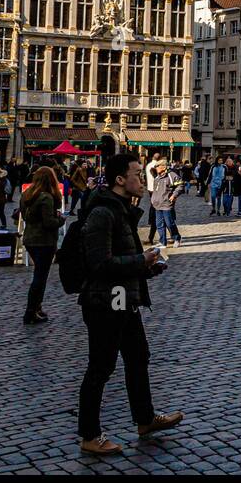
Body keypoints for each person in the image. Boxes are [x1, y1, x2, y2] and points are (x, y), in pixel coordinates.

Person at [77, 153, 182, 456]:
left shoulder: (122, 209)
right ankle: (89, 434)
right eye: (137, 173)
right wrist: (140, 260)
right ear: (120, 180)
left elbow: (121, 260)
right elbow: (99, 264)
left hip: (124, 298)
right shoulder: (103, 213)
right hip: (105, 300)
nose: (142, 179)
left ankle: (145, 419)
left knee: (138, 356)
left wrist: (147, 267)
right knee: (101, 366)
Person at [21, 165, 65, 325]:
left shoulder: (27, 194)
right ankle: (31, 311)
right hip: (44, 241)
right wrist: (61, 220)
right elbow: (49, 222)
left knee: (39, 275)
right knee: (40, 277)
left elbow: (25, 217)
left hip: (30, 239)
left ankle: (36, 308)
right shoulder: (46, 197)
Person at [150, 160, 184, 248]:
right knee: (159, 224)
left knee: (169, 223)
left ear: (164, 167)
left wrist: (174, 195)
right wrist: (153, 199)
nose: (156, 168)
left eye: (158, 166)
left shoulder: (171, 175)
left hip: (167, 204)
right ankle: (162, 242)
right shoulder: (157, 178)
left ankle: (177, 238)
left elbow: (180, 185)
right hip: (157, 205)